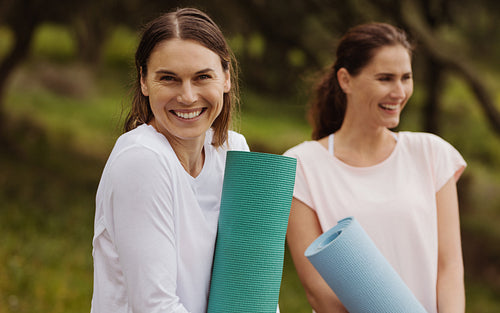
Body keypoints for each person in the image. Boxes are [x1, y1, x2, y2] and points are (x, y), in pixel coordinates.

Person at [284, 23, 466, 313]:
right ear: (346, 80)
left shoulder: (432, 153)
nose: (399, 91)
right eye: (385, 79)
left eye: (406, 78)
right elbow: (318, 290)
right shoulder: (301, 166)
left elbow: (450, 267)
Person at [90, 8, 250, 313]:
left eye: (203, 77)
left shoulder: (234, 150)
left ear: (226, 78)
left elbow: (252, 285)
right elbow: (155, 306)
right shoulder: (142, 161)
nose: (188, 96)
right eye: (169, 79)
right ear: (144, 81)